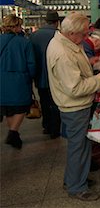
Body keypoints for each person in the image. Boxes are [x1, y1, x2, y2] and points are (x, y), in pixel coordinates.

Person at [47, 12, 100, 201]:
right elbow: (75, 88)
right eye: (83, 34)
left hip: (73, 105)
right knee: (78, 147)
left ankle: (72, 179)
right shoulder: (63, 53)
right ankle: (77, 187)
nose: (85, 38)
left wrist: (88, 63)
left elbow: (73, 71)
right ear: (72, 33)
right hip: (75, 106)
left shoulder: (66, 42)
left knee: (78, 146)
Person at [0, 15, 36, 149]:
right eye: (19, 26)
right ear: (15, 27)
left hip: (2, 80)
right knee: (22, 107)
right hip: (19, 79)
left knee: (8, 109)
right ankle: (13, 132)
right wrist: (32, 76)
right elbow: (31, 63)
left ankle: (14, 136)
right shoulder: (24, 42)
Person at [29, 11, 61, 139]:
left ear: (46, 21)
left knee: (44, 101)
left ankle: (46, 125)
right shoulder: (58, 35)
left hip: (39, 74)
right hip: (56, 75)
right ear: (57, 21)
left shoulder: (34, 35)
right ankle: (55, 128)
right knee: (55, 102)